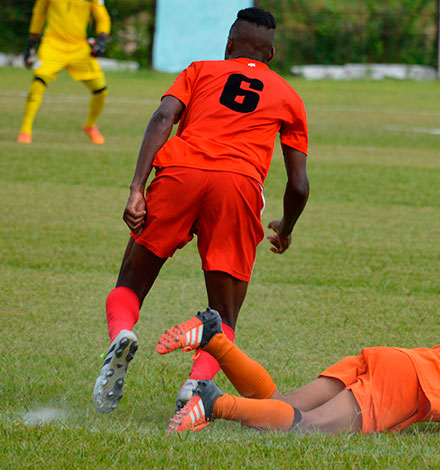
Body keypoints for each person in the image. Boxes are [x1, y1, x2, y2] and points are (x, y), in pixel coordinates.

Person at [92, 7, 310, 416]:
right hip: (238, 187)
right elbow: (298, 184)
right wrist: (287, 228)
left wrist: (137, 188)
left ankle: (122, 334)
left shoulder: (199, 70)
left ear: (228, 45)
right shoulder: (289, 96)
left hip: (180, 173)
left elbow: (162, 117)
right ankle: (196, 386)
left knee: (131, 279)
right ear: (272, 54)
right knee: (224, 311)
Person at [157, 309, 440, 436]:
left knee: (281, 406)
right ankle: (214, 404)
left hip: (397, 361)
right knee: (308, 430)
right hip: (409, 384)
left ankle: (214, 338)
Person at [17, 0, 111, 144]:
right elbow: (39, 13)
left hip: (79, 47)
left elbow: (102, 16)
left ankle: (90, 125)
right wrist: (31, 42)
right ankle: (25, 130)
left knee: (101, 90)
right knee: (38, 83)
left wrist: (102, 38)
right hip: (52, 44)